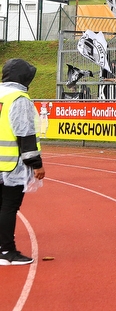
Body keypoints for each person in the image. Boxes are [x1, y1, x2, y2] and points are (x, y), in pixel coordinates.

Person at [0, 59, 46, 265]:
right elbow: (25, 135)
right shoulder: (19, 99)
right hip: (10, 165)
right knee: (9, 207)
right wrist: (36, 164)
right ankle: (6, 251)